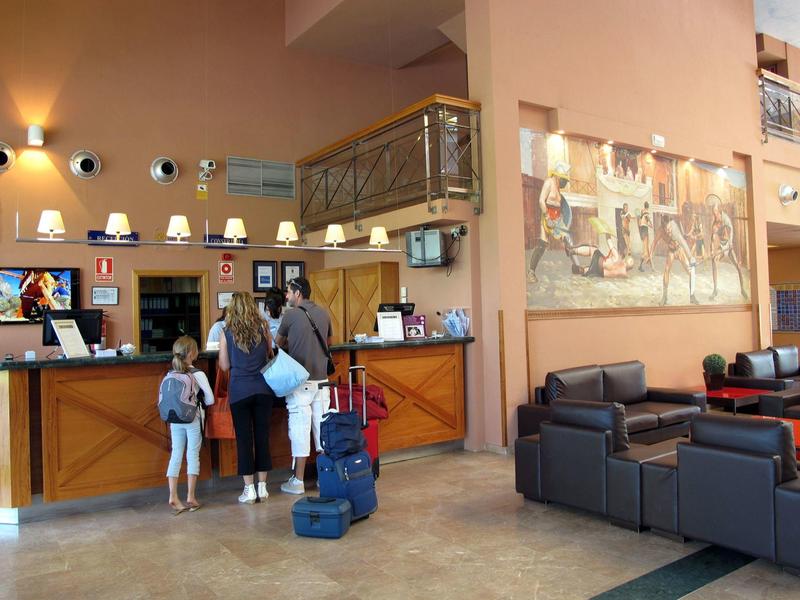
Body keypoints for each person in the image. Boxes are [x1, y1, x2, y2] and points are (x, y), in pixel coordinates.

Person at [275, 277, 332, 495]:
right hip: (322, 382)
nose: (287, 296)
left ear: (298, 293)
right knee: (323, 431)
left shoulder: (290, 316)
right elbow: (329, 344)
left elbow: (277, 344)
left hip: (300, 383)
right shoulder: (324, 313)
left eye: (289, 292)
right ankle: (325, 478)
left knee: (299, 430)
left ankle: (298, 481)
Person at [218, 292, 275, 504]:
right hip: (263, 389)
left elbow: (224, 365)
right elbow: (270, 354)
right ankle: (263, 487)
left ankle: (249, 489)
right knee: (262, 437)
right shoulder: (263, 328)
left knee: (244, 439)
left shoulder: (226, 332)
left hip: (239, 391)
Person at [165, 336, 214, 515]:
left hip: (174, 419)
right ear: (193, 353)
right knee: (192, 454)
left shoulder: (170, 374)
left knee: (176, 454)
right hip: (192, 418)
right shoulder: (198, 374)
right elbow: (210, 399)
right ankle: (191, 497)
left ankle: (173, 496)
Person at [527, 161, 580, 283]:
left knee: (568, 240)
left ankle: (578, 268)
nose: (564, 182)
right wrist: (547, 217)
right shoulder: (549, 182)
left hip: (557, 218)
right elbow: (541, 200)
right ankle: (531, 272)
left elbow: (561, 206)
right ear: (557, 176)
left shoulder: (558, 187)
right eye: (563, 179)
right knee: (543, 243)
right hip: (547, 215)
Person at [651, 216, 699, 306]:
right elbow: (654, 243)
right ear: (663, 228)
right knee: (666, 270)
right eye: (667, 229)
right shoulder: (660, 231)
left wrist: (690, 258)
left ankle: (692, 296)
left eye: (670, 228)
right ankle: (664, 297)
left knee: (690, 272)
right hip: (671, 251)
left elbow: (683, 243)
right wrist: (650, 257)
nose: (669, 231)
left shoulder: (674, 228)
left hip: (679, 249)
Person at [708, 195, 748, 301]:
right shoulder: (714, 224)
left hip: (728, 246)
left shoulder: (725, 218)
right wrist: (712, 251)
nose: (714, 214)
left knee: (738, 266)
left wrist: (730, 242)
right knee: (714, 261)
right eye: (713, 212)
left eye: (715, 211)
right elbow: (713, 238)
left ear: (718, 210)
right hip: (721, 246)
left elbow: (731, 229)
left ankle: (742, 289)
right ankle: (715, 290)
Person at [637, 201, 653, 271]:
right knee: (645, 249)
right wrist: (651, 224)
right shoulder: (646, 212)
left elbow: (644, 222)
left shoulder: (642, 212)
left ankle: (645, 263)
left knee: (645, 248)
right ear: (648, 207)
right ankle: (641, 265)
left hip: (642, 229)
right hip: (644, 229)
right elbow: (648, 219)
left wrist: (649, 225)